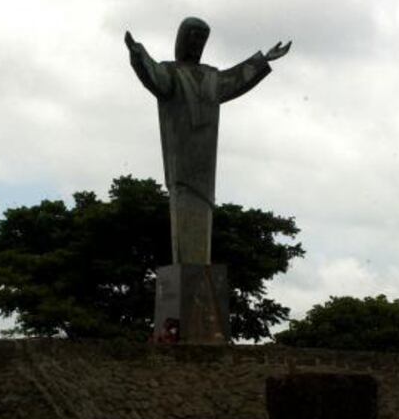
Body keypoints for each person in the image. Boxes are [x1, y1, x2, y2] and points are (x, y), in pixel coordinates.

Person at [125, 17, 291, 265]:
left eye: (202, 40)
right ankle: (187, 268)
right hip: (181, 163)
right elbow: (155, 77)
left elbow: (235, 78)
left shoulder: (211, 76)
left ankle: (198, 269)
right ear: (182, 40)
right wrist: (139, 54)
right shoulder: (170, 72)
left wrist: (264, 60)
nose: (197, 44)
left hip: (204, 165)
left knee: (203, 216)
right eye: (193, 38)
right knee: (184, 211)